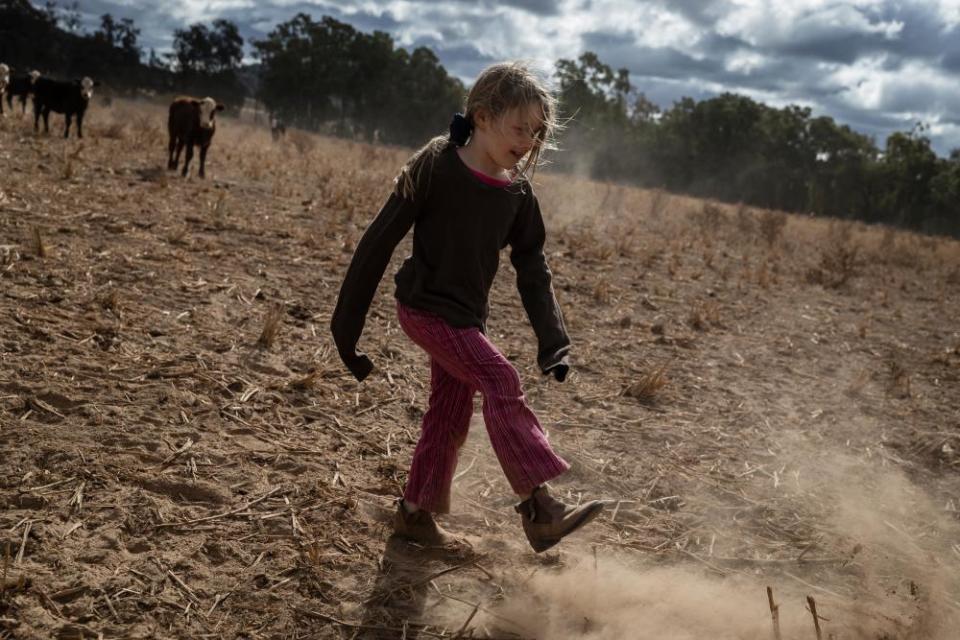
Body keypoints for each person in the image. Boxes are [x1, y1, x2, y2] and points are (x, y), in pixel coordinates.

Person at [330, 62, 602, 553]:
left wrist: (553, 342)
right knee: (502, 381)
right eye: (520, 127)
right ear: (481, 116)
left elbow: (533, 269)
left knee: (449, 414)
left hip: (464, 320)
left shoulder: (518, 194)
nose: (528, 140)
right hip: (426, 310)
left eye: (537, 132)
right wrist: (346, 331)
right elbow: (378, 242)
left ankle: (415, 515)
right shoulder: (436, 165)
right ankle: (540, 507)